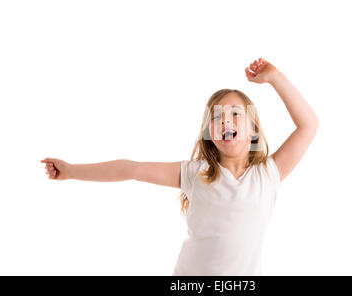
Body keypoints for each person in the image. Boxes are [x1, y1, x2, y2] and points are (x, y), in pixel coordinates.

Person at [40, 57, 320, 275]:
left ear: (254, 130)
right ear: (209, 133)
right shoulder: (196, 173)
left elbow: (309, 125)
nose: (226, 121)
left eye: (235, 114)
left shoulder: (267, 175)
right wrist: (71, 171)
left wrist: (275, 77)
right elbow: (132, 169)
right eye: (218, 117)